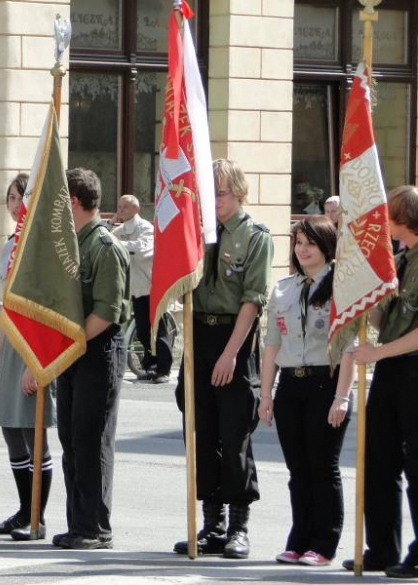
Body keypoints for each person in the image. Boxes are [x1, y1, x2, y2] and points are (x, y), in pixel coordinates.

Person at [173, 159, 274, 559]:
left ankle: (238, 526)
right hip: (199, 332)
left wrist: (231, 354)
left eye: (220, 193)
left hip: (235, 336)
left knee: (234, 436)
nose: (213, 201)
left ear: (238, 192)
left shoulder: (254, 236)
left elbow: (253, 300)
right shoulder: (198, 234)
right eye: (207, 193)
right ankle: (211, 524)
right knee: (199, 432)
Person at [30, 167, 129, 550]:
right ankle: (78, 523)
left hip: (97, 349)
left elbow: (106, 312)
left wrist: (67, 346)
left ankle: (95, 526)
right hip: (73, 349)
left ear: (73, 201)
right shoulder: (72, 244)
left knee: (92, 439)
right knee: (71, 438)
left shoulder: (103, 247)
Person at [259, 216, 354, 566]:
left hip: (325, 383)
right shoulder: (284, 288)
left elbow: (349, 347)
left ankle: (324, 544)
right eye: (298, 243)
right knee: (298, 469)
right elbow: (271, 345)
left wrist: (342, 396)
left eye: (310, 243)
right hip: (291, 385)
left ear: (326, 247)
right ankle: (299, 539)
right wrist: (266, 393)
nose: (302, 250)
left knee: (322, 467)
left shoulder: (342, 286)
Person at [347, 185, 418, 578]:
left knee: (416, 466)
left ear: (404, 216)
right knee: (378, 460)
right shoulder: (400, 260)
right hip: (391, 367)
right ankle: (381, 548)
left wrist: (376, 354)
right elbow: (385, 321)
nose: (381, 221)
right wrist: (367, 301)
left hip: (411, 368)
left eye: (386, 213)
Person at [0, 174, 56, 541]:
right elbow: (6, 307)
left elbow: (45, 308)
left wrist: (35, 362)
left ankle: (37, 518)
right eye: (12, 198)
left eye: (21, 197)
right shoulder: (9, 246)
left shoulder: (41, 249)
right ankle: (22, 508)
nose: (16, 205)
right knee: (12, 430)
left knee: (34, 433)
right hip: (10, 342)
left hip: (34, 346)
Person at [111, 194, 174, 383]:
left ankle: (163, 369)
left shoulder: (145, 228)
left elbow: (141, 249)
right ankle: (150, 366)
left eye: (125, 207)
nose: (120, 210)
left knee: (159, 329)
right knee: (143, 330)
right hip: (136, 288)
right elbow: (104, 237)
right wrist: (111, 223)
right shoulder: (120, 229)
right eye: (119, 206)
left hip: (153, 286)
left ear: (136, 209)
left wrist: (117, 244)